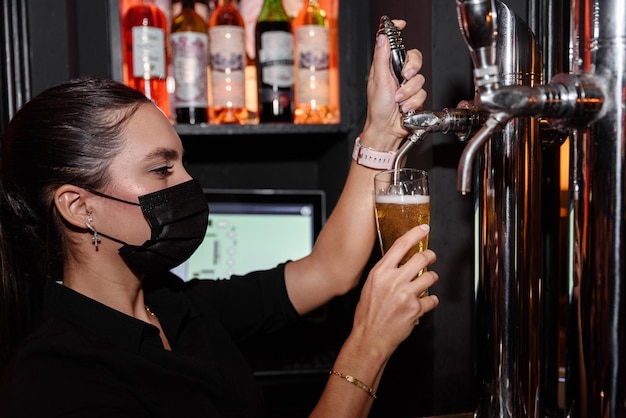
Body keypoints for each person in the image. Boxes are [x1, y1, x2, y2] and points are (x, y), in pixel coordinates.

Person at [0, 19, 438, 418]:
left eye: (182, 164)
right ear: (79, 207)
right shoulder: (54, 382)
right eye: (161, 169)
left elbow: (329, 270)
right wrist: (369, 346)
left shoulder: (174, 306)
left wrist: (381, 130)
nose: (188, 183)